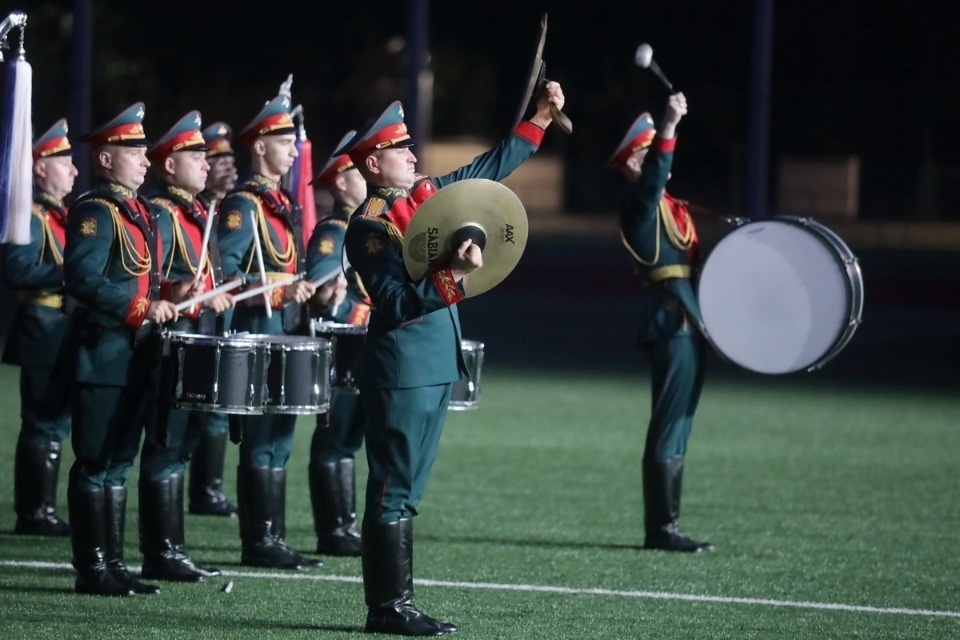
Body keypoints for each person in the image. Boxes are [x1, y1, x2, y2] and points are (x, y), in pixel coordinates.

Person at [342, 82, 565, 636]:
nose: (415, 157)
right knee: (394, 490)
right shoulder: (370, 225)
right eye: (402, 150)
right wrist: (455, 276)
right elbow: (392, 303)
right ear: (375, 162)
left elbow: (488, 168)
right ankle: (387, 608)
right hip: (402, 372)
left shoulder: (424, 196)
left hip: (433, 367)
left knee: (408, 492)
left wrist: (537, 117)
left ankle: (399, 604)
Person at [63, 102, 192, 596]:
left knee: (118, 460)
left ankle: (113, 565)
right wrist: (139, 308)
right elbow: (82, 277)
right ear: (106, 160)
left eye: (143, 148)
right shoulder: (96, 210)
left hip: (136, 351)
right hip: (104, 352)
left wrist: (168, 296)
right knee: (95, 460)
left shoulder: (139, 212)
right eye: (132, 149)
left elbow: (141, 278)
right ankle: (92, 568)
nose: (144, 157)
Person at [216, 94, 319, 570]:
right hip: (257, 332)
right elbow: (227, 275)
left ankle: (273, 538)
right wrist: (278, 293)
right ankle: (257, 540)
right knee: (260, 438)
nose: (295, 151)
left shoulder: (281, 203)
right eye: (285, 142)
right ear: (260, 147)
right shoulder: (244, 204)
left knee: (279, 436)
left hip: (284, 332)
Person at [608, 92, 714, 553]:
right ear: (632, 164)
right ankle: (661, 528)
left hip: (691, 323)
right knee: (669, 423)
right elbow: (653, 182)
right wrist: (670, 124)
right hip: (670, 323)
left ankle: (667, 524)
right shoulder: (640, 205)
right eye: (648, 154)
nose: (658, 164)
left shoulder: (673, 207)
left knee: (681, 423)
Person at [136, 110, 236, 582]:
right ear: (170, 167)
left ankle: (173, 549)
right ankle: (161, 552)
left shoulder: (199, 213)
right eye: (195, 154)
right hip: (170, 346)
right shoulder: (161, 212)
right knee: (166, 446)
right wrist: (185, 293)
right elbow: (147, 282)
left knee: (182, 447)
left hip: (199, 342)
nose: (205, 161)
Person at [2, 118, 78, 537]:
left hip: (62, 324)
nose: (74, 170)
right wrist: (71, 274)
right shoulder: (30, 216)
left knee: (55, 420)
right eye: (64, 161)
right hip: (42, 325)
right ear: (40, 167)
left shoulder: (60, 216)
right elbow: (17, 271)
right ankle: (35, 512)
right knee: (43, 420)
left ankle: (42, 508)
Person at [305, 131, 370, 557]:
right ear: (341, 182)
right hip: (340, 343)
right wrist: (331, 288)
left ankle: (345, 527)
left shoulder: (367, 223)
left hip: (365, 343)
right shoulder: (334, 231)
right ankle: (334, 530)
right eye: (357, 171)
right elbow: (326, 286)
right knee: (335, 438)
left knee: (351, 438)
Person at [187, 120, 240, 519]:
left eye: (229, 161)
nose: (225, 168)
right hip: (192, 321)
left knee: (218, 409)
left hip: (220, 320)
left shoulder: (221, 210)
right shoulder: (192, 213)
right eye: (215, 160)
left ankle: (209, 489)